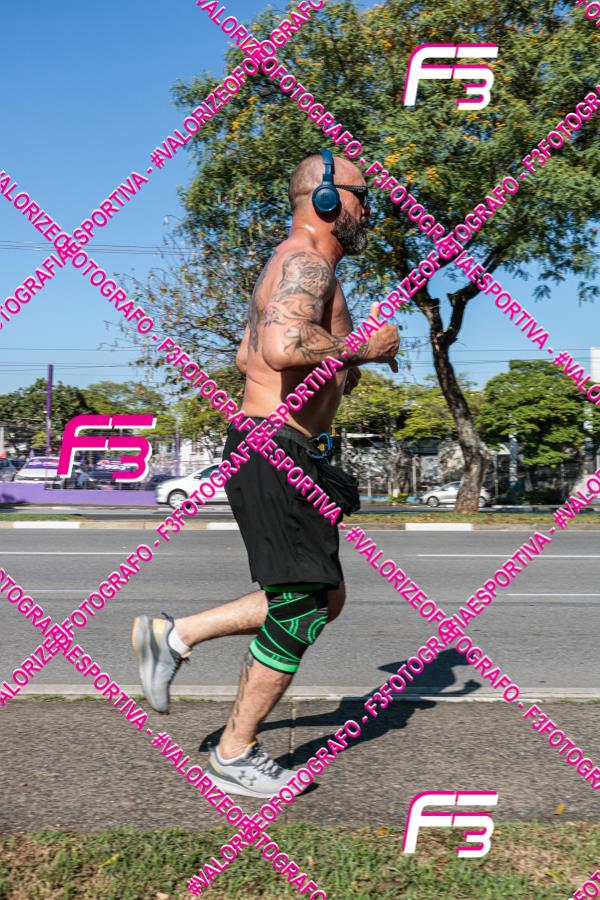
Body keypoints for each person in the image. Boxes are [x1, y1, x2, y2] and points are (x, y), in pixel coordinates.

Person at [131, 151, 400, 798]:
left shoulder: (307, 267)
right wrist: (364, 347)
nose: (369, 212)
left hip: (285, 447)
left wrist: (341, 364)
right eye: (362, 197)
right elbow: (280, 347)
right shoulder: (305, 261)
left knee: (323, 597)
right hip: (274, 449)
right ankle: (234, 753)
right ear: (329, 199)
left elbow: (251, 354)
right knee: (303, 609)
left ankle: (176, 635)